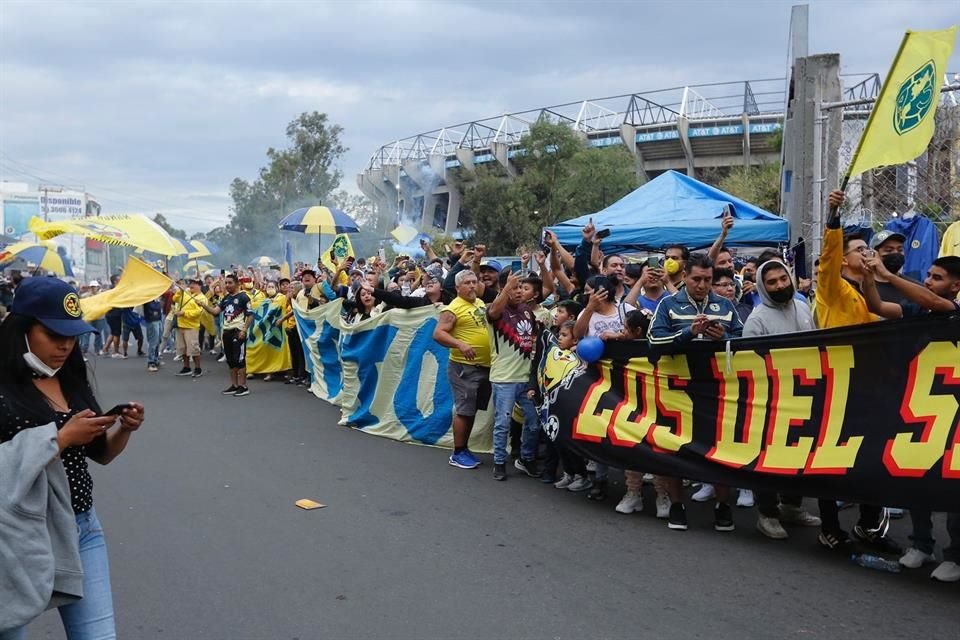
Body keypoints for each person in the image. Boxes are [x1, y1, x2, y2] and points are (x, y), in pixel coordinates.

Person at [0, 277, 145, 637]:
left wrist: (123, 429)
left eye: (72, 336)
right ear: (22, 330)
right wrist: (60, 438)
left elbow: (100, 455)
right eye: (53, 335)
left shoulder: (70, 377)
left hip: (82, 528)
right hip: (14, 535)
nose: (65, 346)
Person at [813, 189, 899, 554]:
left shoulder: (870, 293)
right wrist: (834, 217)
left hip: (869, 387)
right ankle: (830, 528)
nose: (868, 253)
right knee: (831, 458)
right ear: (845, 259)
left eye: (868, 249)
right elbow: (828, 258)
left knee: (871, 456)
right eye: (860, 249)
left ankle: (869, 525)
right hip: (837, 388)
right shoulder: (832, 289)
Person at [648, 252, 743, 532]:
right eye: (696, 279)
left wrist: (724, 338)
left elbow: (745, 342)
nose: (702, 285)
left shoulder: (726, 305)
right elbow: (653, 341)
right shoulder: (668, 304)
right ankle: (677, 504)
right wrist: (688, 333)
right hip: (677, 389)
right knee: (675, 448)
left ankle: (722, 505)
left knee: (721, 448)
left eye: (707, 280)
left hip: (717, 389)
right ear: (685, 277)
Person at [740, 258, 822, 539]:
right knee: (768, 459)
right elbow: (750, 365)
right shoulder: (757, 319)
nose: (779, 286)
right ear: (763, 286)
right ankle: (767, 514)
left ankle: (791, 506)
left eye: (783, 279)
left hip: (805, 395)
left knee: (799, 455)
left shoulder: (802, 306)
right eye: (771, 282)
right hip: (772, 402)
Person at [433, 270, 491, 470]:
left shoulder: (479, 303)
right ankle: (458, 453)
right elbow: (438, 334)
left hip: (483, 367)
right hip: (464, 368)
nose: (472, 285)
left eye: (474, 281)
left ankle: (464, 449)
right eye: (467, 283)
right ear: (458, 287)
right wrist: (460, 344)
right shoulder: (453, 309)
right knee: (464, 410)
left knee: (471, 410)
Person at [486, 269, 540, 481]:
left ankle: (526, 459)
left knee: (534, 422)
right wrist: (506, 287)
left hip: (526, 379)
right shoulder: (495, 309)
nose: (519, 292)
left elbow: (533, 337)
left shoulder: (527, 310)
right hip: (504, 380)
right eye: (514, 287)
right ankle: (499, 462)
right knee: (503, 423)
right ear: (503, 288)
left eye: (521, 288)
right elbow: (493, 313)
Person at [198, 273, 252, 396]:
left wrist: (244, 330)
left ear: (237, 284)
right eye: (226, 283)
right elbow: (215, 312)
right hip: (226, 332)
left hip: (238, 332)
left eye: (230, 283)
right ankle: (234, 385)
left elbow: (250, 315)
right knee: (231, 360)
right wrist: (203, 305)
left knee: (240, 360)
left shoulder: (244, 297)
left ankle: (243, 386)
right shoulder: (226, 298)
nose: (227, 285)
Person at [172, 279, 208, 378]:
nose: (191, 285)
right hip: (180, 325)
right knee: (182, 348)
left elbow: (198, 312)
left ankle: (198, 368)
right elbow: (175, 299)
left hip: (191, 326)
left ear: (200, 286)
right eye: (191, 283)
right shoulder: (186, 292)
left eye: (194, 284)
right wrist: (180, 291)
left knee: (193, 348)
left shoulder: (202, 298)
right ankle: (186, 367)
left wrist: (184, 313)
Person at [142, 296, 164, 373]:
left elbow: (159, 306)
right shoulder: (148, 297)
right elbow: (156, 307)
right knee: (153, 341)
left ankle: (155, 359)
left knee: (158, 341)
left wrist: (159, 304)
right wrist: (159, 304)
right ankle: (151, 362)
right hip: (152, 320)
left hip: (158, 319)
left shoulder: (155, 296)